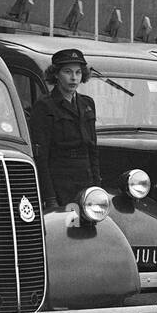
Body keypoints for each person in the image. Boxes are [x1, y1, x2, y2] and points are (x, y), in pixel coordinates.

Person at [29, 48, 101, 212]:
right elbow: (42, 157)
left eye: (78, 72)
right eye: (67, 72)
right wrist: (50, 198)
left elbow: (93, 150)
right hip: (61, 184)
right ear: (56, 74)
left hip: (86, 182)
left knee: (91, 231)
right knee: (70, 229)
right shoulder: (44, 106)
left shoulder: (87, 104)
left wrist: (97, 187)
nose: (74, 78)